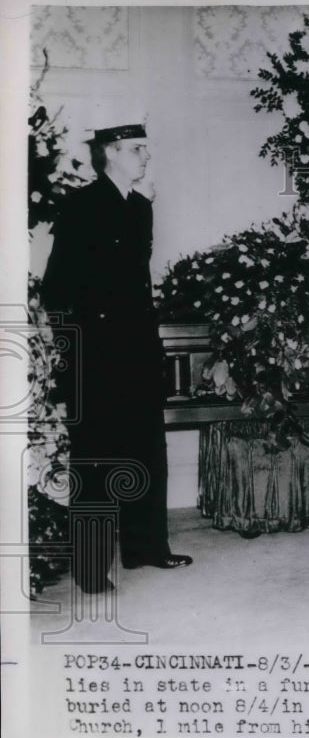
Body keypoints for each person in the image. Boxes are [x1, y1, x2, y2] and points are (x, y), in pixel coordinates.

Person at [42, 122, 192, 594]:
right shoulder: (81, 206)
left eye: (145, 148)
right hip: (98, 353)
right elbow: (57, 288)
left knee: (146, 448)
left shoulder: (140, 207)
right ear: (110, 153)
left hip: (137, 348)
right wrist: (76, 350)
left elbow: (135, 285)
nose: (145, 156)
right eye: (135, 149)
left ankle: (147, 548)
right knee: (97, 458)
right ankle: (90, 569)